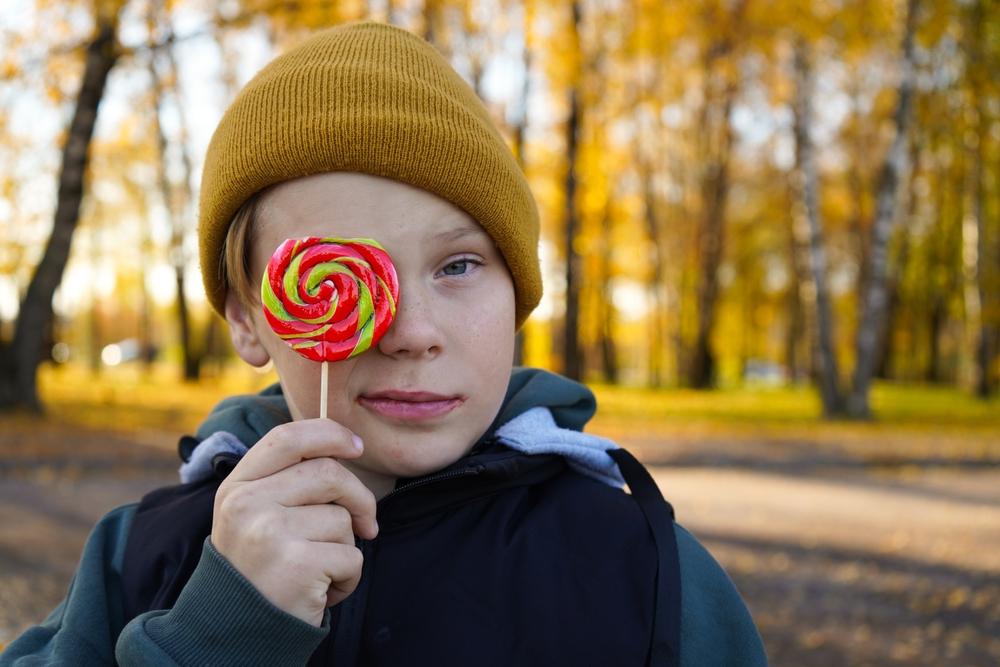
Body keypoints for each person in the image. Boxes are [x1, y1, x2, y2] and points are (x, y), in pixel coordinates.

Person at [1, 21, 767, 666]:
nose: (410, 332)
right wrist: (212, 634)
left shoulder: (645, 566)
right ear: (246, 315)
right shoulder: (138, 557)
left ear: (518, 294)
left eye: (458, 266)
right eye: (335, 271)